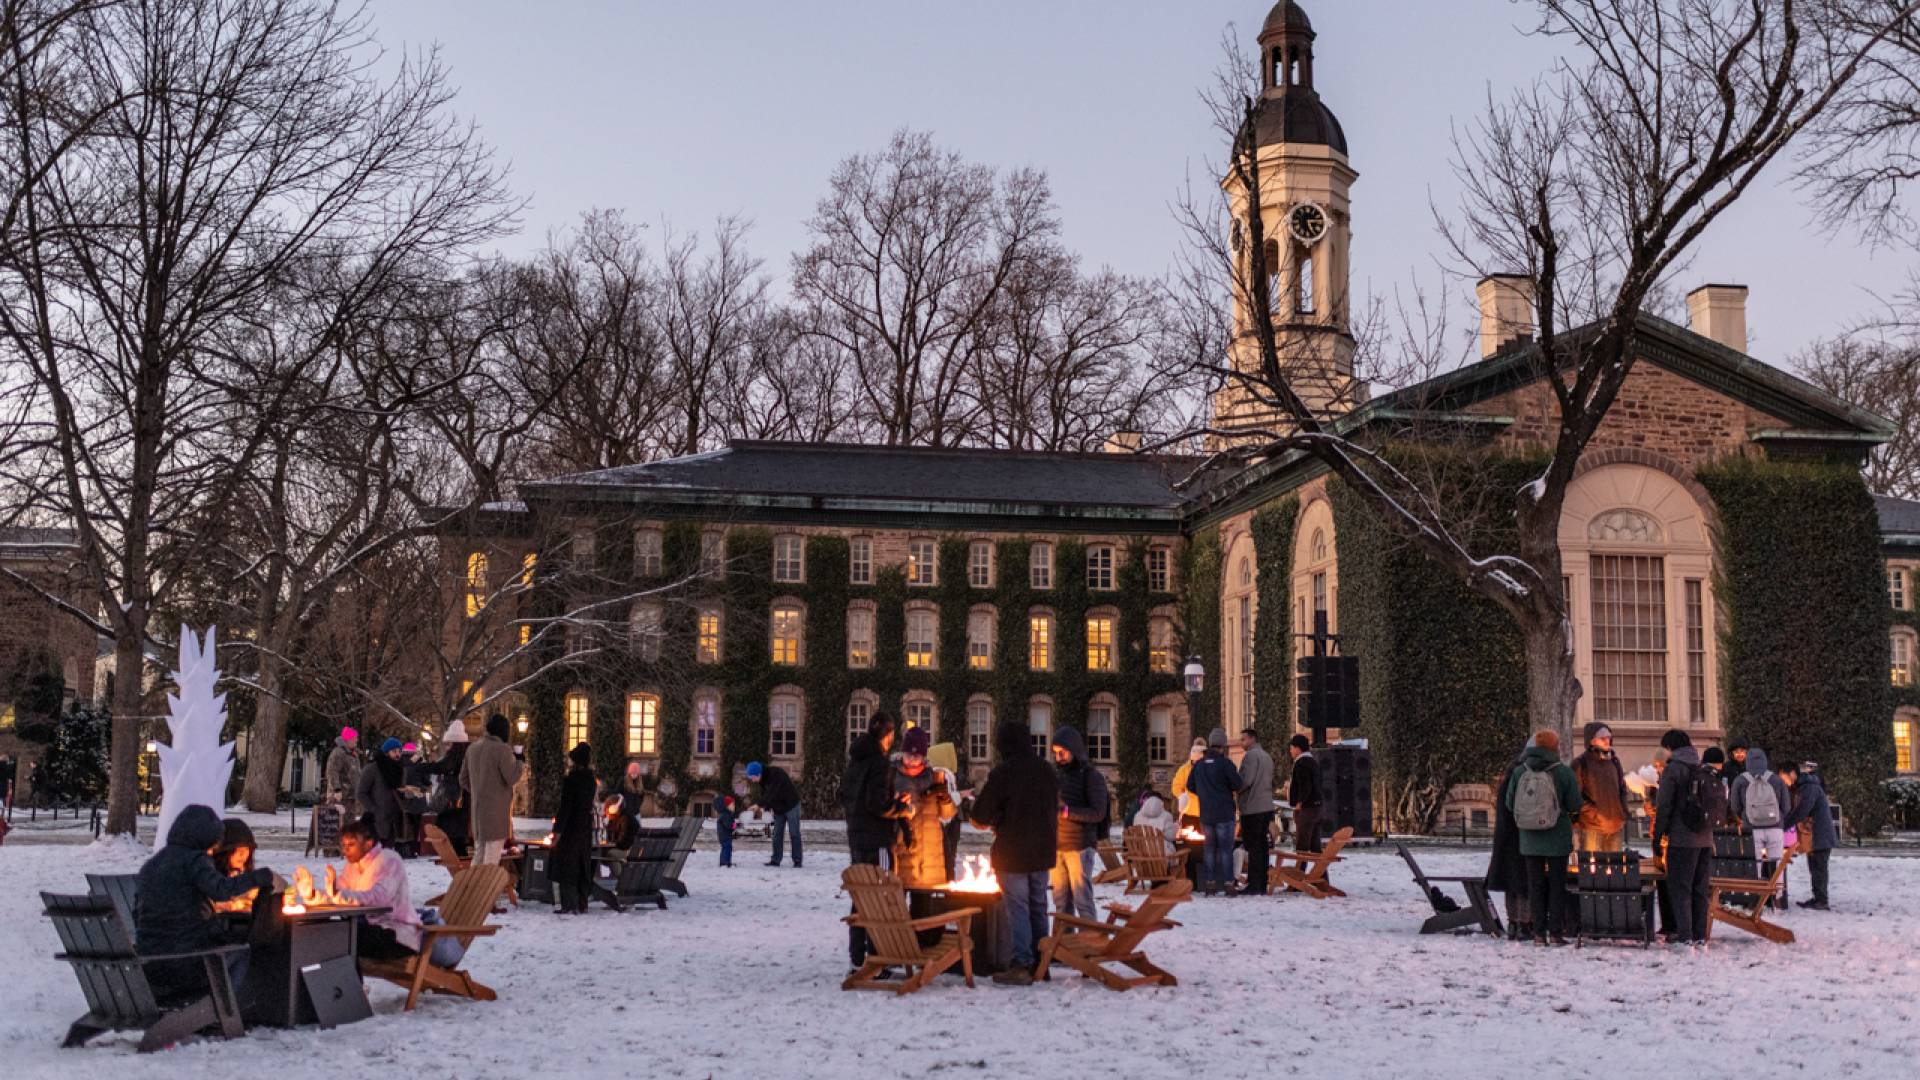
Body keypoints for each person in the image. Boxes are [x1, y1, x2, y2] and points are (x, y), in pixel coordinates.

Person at [134, 804, 276, 997]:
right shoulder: (193, 861)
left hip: (149, 963)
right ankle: (224, 1011)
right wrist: (260, 877)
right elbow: (221, 889)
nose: (212, 850)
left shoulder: (154, 864)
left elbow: (138, 914)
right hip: (184, 964)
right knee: (242, 951)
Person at [970, 719, 1059, 986]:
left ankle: (1022, 963)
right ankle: (1042, 963)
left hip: (1013, 851)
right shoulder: (1046, 771)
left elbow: (981, 814)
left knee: (1018, 908)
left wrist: (995, 819)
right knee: (1039, 906)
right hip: (1042, 850)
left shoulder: (1004, 773)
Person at [297, 817, 422, 963]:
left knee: (345, 936)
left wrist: (338, 894)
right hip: (368, 927)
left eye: (351, 844)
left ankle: (350, 984)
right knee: (323, 930)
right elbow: (339, 895)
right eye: (343, 845)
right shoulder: (353, 865)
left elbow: (378, 898)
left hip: (397, 933)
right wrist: (312, 894)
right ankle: (334, 983)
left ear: (368, 844)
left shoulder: (388, 860)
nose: (345, 850)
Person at [1504, 730, 1581, 945]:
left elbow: (1510, 803)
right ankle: (1555, 932)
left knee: (1535, 885)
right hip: (1557, 837)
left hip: (1529, 838)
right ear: (1555, 747)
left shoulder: (1521, 771)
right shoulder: (1563, 772)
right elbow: (1575, 803)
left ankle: (1538, 933)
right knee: (1557, 885)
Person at [1651, 729, 1723, 945]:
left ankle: (1684, 936)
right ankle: (1699, 935)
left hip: (1682, 838)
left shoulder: (1673, 770)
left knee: (1680, 887)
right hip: (1704, 838)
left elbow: (1664, 805)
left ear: (1670, 748)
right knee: (1699, 889)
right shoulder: (1701, 767)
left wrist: (1658, 835)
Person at [841, 712, 897, 972]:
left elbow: (845, 796)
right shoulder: (879, 763)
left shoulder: (854, 762)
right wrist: (901, 808)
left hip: (856, 837)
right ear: (887, 736)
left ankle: (857, 957)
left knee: (861, 895)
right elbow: (877, 804)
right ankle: (877, 956)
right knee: (882, 896)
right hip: (877, 839)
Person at [1048, 725, 1110, 920]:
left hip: (1080, 846)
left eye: (1063, 752)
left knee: (1082, 898)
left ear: (1074, 750)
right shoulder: (1056, 776)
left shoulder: (1091, 777)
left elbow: (1098, 812)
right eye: (1056, 753)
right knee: (1060, 900)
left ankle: (1090, 939)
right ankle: (1065, 943)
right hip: (1058, 845)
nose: (1058, 757)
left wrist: (1068, 812)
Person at [888, 727, 957, 891]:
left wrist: (945, 798)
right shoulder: (892, 776)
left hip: (930, 858)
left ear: (923, 756)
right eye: (908, 754)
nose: (912, 758)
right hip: (902, 852)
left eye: (917, 755)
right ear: (902, 752)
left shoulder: (934, 777)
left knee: (924, 910)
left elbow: (947, 815)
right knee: (899, 908)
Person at [1731, 747, 1791, 907]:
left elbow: (1735, 806)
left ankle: (1755, 898)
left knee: (1754, 865)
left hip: (1752, 830)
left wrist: (1745, 817)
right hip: (1775, 828)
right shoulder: (1776, 780)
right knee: (1776, 864)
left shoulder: (1740, 780)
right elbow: (1786, 806)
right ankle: (1776, 898)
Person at [1484, 749, 1533, 940]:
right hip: (1521, 835)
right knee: (1523, 882)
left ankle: (1514, 922)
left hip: (1506, 838)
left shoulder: (1510, 775)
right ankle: (1524, 923)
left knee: (1511, 883)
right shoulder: (1524, 776)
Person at [1187, 728, 1243, 896]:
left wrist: (1204, 794)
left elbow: (1190, 786)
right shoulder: (1226, 764)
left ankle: (1209, 884)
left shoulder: (1199, 765)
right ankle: (1227, 883)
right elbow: (1237, 784)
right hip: (1224, 812)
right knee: (1226, 849)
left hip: (1206, 813)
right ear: (1223, 745)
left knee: (1209, 849)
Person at [462, 713, 523, 866]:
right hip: (496, 814)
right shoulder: (502, 750)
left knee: (479, 855)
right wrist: (520, 761)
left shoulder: (472, 749)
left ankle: (473, 887)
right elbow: (511, 777)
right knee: (491, 859)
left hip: (478, 813)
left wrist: (478, 790)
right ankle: (486, 889)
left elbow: (462, 779)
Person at [548, 742, 599, 914]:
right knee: (582, 862)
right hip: (584, 825)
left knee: (567, 864)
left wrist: (557, 831)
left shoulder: (571, 780)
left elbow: (565, 807)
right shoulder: (591, 780)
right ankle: (582, 901)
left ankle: (568, 902)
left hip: (571, 827)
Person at [1781, 760, 1836, 910]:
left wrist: (1783, 825)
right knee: (1815, 868)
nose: (1784, 782)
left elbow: (1801, 811)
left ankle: (1821, 900)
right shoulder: (1802, 788)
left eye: (1784, 777)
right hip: (1815, 835)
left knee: (1819, 868)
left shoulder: (1809, 788)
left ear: (1792, 774)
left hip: (1819, 835)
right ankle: (1818, 898)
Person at [1571, 722, 1629, 852]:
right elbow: (1575, 796)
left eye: (1609, 737)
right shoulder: (1581, 764)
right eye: (1603, 738)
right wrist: (1594, 814)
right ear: (1592, 741)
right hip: (1592, 827)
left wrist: (1623, 812)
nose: (1607, 741)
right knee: (1593, 867)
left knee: (1615, 866)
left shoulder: (1614, 761)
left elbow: (1621, 789)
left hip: (1615, 824)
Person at [1236, 729, 1276, 894]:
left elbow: (1247, 780)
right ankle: (1262, 882)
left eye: (1243, 739)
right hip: (1266, 805)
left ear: (1252, 739)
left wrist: (1236, 788)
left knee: (1253, 847)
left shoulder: (1251, 756)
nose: (1241, 742)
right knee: (1262, 846)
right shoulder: (1266, 756)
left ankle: (1254, 884)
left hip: (1253, 807)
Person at [425, 721, 471, 855]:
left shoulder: (456, 756)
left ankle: (461, 871)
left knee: (455, 842)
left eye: (448, 743)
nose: (446, 747)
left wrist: (419, 768)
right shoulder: (466, 753)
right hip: (461, 804)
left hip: (455, 803)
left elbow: (442, 767)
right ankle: (461, 870)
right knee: (457, 842)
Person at [748, 760, 803, 867]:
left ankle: (797, 860)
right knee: (777, 834)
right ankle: (776, 860)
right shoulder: (762, 780)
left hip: (791, 805)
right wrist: (765, 808)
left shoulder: (776, 774)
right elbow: (766, 795)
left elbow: (772, 791)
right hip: (778, 809)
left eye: (753, 777)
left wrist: (759, 805)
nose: (752, 780)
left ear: (758, 773)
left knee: (794, 833)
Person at [927, 741, 968, 882]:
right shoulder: (944, 775)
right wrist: (961, 796)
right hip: (949, 821)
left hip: (947, 820)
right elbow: (947, 799)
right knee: (948, 858)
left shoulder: (935, 774)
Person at [356, 737, 407, 848]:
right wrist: (374, 809)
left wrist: (408, 793)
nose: (398, 754)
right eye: (394, 751)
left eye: (399, 751)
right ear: (386, 752)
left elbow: (400, 790)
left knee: (387, 854)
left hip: (393, 819)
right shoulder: (372, 769)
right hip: (376, 821)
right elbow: (361, 793)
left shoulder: (400, 769)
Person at [208, 818, 267, 915]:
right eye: (237, 849)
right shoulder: (209, 880)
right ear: (223, 852)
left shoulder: (251, 880)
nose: (242, 854)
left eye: (246, 849)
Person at [1287, 735, 1324, 857]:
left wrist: (1299, 802)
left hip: (1306, 809)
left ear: (1298, 748)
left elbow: (1305, 785)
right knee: (1315, 847)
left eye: (1291, 748)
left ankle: (1300, 873)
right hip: (1317, 807)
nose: (1290, 751)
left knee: (1302, 846)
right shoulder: (1313, 761)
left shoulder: (1301, 763)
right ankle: (1321, 875)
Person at [324, 727, 362, 821]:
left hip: (351, 797)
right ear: (347, 739)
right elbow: (332, 771)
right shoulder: (338, 753)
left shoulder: (353, 755)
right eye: (354, 738)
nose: (356, 740)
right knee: (338, 823)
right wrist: (337, 789)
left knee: (349, 826)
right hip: (340, 798)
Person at [1171, 739, 1206, 830]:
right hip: (1197, 812)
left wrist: (1183, 797)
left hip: (1193, 812)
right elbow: (1176, 787)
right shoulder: (1184, 770)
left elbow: (1176, 787)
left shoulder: (1184, 769)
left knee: (1188, 842)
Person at [714, 793, 739, 868]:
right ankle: (724, 862)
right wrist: (734, 826)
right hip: (725, 835)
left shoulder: (726, 814)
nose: (734, 806)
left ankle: (725, 861)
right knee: (726, 848)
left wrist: (734, 825)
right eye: (732, 805)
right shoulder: (725, 815)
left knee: (727, 848)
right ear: (727, 806)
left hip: (724, 835)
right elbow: (728, 825)